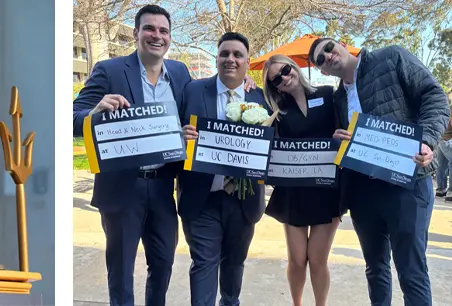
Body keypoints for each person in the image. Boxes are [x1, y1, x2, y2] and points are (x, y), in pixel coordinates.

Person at [310, 37, 449, 305]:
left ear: (341, 44)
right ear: (322, 71)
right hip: (363, 194)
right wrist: (339, 141)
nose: (327, 56)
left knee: (412, 271)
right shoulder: (338, 97)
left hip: (407, 185)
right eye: (320, 59)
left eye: (328, 47)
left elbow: (434, 96)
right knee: (375, 270)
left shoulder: (391, 57)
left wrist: (427, 140)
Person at [69, 5, 189, 305]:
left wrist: (245, 83)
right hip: (122, 187)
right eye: (149, 28)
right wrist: (94, 113)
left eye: (163, 31)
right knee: (121, 272)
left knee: (163, 264)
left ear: (170, 38)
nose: (156, 36)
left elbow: (203, 100)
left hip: (163, 186)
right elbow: (72, 116)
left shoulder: (180, 73)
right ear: (136, 33)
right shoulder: (109, 71)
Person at [178, 32, 269, 306]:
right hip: (201, 197)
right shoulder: (192, 90)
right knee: (204, 262)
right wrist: (181, 136)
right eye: (224, 54)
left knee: (234, 263)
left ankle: (230, 302)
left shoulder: (262, 99)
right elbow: (172, 129)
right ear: (216, 59)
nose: (230, 59)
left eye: (237, 54)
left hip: (244, 199)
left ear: (247, 62)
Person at [261, 54, 343, 305]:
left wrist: (342, 136)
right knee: (297, 260)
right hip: (293, 191)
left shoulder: (329, 94)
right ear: (272, 86)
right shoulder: (277, 111)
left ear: (294, 67)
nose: (284, 78)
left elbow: (349, 122)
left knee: (318, 260)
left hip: (327, 190)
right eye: (275, 79)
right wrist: (248, 85)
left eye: (285, 70)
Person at [433, 121, 452, 200]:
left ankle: (441, 190)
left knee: (441, 165)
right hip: (449, 139)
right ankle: (451, 192)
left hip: (441, 138)